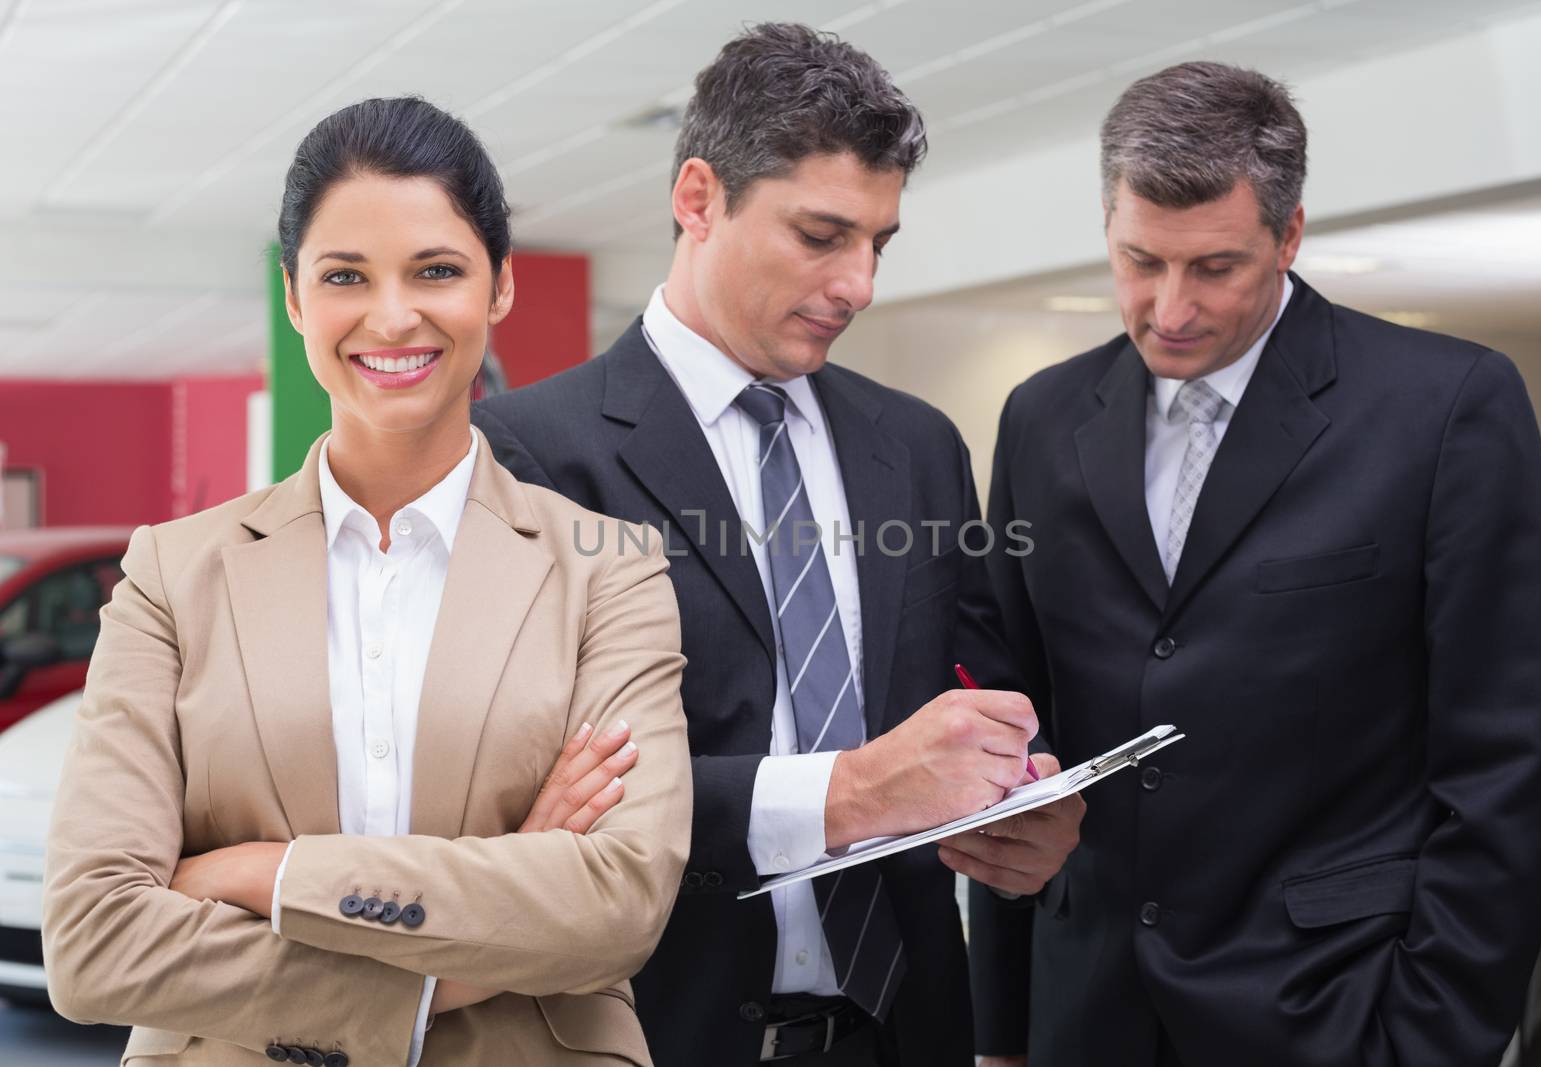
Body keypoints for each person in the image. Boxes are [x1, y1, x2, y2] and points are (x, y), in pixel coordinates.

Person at [473, 23, 1084, 1067]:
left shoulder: (917, 446)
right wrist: (847, 792)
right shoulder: (527, 454)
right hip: (660, 1030)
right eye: (820, 235)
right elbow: (529, 800)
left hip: (910, 1025)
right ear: (698, 198)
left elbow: (974, 686)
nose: (859, 285)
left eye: (878, 244)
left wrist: (1019, 802)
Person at [42, 96, 691, 1067]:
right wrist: (492, 917)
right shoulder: (174, 573)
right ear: (296, 297)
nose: (394, 315)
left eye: (436, 269)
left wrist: (264, 870)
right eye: (346, 274)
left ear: (500, 287)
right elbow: (93, 941)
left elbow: (616, 903)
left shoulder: (610, 568)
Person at [967, 61, 1541, 1067]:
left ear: (1288, 237)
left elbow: (1507, 767)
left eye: (1214, 267)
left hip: (1336, 1009)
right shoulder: (1039, 419)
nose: (1168, 308)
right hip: (1085, 1014)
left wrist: (1433, 1038)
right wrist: (1001, 1027)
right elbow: (1013, 731)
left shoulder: (1446, 407)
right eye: (1138, 261)